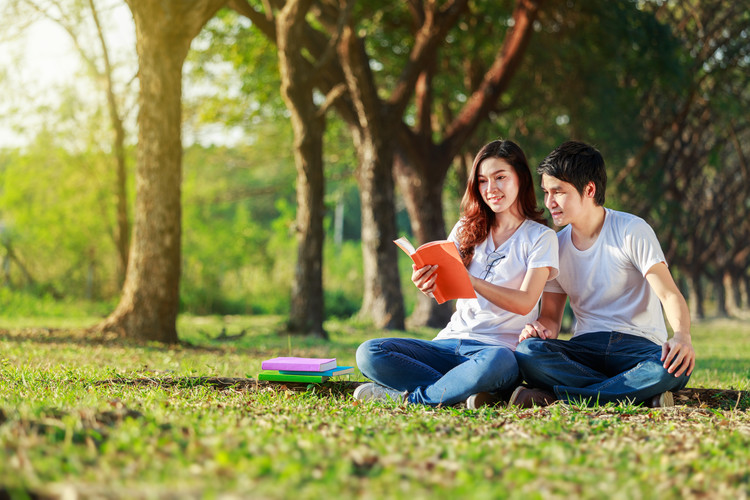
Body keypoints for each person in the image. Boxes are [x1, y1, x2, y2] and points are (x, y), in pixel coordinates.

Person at [354, 139, 559, 408]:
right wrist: (427, 282)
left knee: (499, 363)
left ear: (520, 178)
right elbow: (449, 284)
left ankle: (413, 400)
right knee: (369, 352)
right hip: (449, 343)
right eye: (483, 181)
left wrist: (473, 281)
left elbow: (525, 303)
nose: (491, 188)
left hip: (497, 352)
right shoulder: (466, 227)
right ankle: (461, 392)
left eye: (500, 177)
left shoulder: (540, 237)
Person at [511, 141, 695, 408]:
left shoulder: (631, 230)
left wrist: (682, 336)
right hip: (586, 348)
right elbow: (551, 318)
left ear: (589, 189)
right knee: (528, 352)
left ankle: (558, 397)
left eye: (558, 192)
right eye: (546, 192)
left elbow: (669, 294)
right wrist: (538, 329)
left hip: (638, 348)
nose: (549, 202)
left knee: (673, 367)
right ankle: (629, 392)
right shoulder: (555, 245)